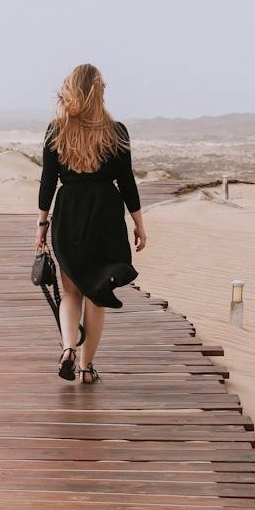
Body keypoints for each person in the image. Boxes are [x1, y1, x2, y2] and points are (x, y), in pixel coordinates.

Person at [36, 63, 147, 384]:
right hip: (106, 215)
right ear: (100, 92)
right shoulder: (117, 131)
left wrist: (42, 224)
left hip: (69, 211)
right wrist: (139, 224)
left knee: (70, 292)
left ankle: (69, 347)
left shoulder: (56, 129)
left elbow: (47, 182)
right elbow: (127, 183)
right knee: (97, 295)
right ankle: (86, 369)